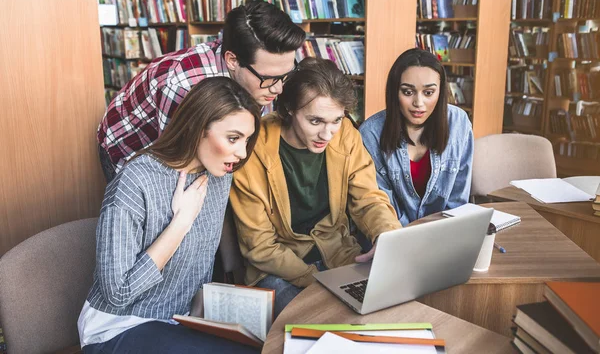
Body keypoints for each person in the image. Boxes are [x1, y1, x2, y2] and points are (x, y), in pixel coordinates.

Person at [78, 77, 261, 353]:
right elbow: (116, 294)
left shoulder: (219, 174)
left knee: (262, 345)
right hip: (118, 326)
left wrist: (202, 308)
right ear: (198, 128)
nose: (242, 152)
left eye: (247, 140)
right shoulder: (134, 181)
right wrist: (181, 223)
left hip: (176, 322)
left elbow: (200, 261)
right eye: (233, 138)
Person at [229, 57, 401, 317]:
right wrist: (316, 280)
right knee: (316, 322)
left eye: (336, 120)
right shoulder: (252, 147)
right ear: (288, 109)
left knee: (393, 312)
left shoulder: (346, 135)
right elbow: (260, 246)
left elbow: (368, 199)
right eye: (315, 121)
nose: (327, 134)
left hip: (339, 254)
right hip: (279, 268)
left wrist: (386, 236)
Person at [97, 0, 305, 182]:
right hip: (127, 145)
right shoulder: (184, 86)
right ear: (232, 60)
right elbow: (174, 163)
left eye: (285, 75)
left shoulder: (258, 72)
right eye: (268, 78)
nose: (278, 89)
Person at [359, 48, 474, 226]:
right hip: (395, 235)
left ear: (440, 93)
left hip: (445, 233)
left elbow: (458, 201)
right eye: (407, 92)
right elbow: (382, 207)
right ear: (394, 92)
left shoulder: (459, 123)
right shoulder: (371, 133)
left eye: (428, 93)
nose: (418, 103)